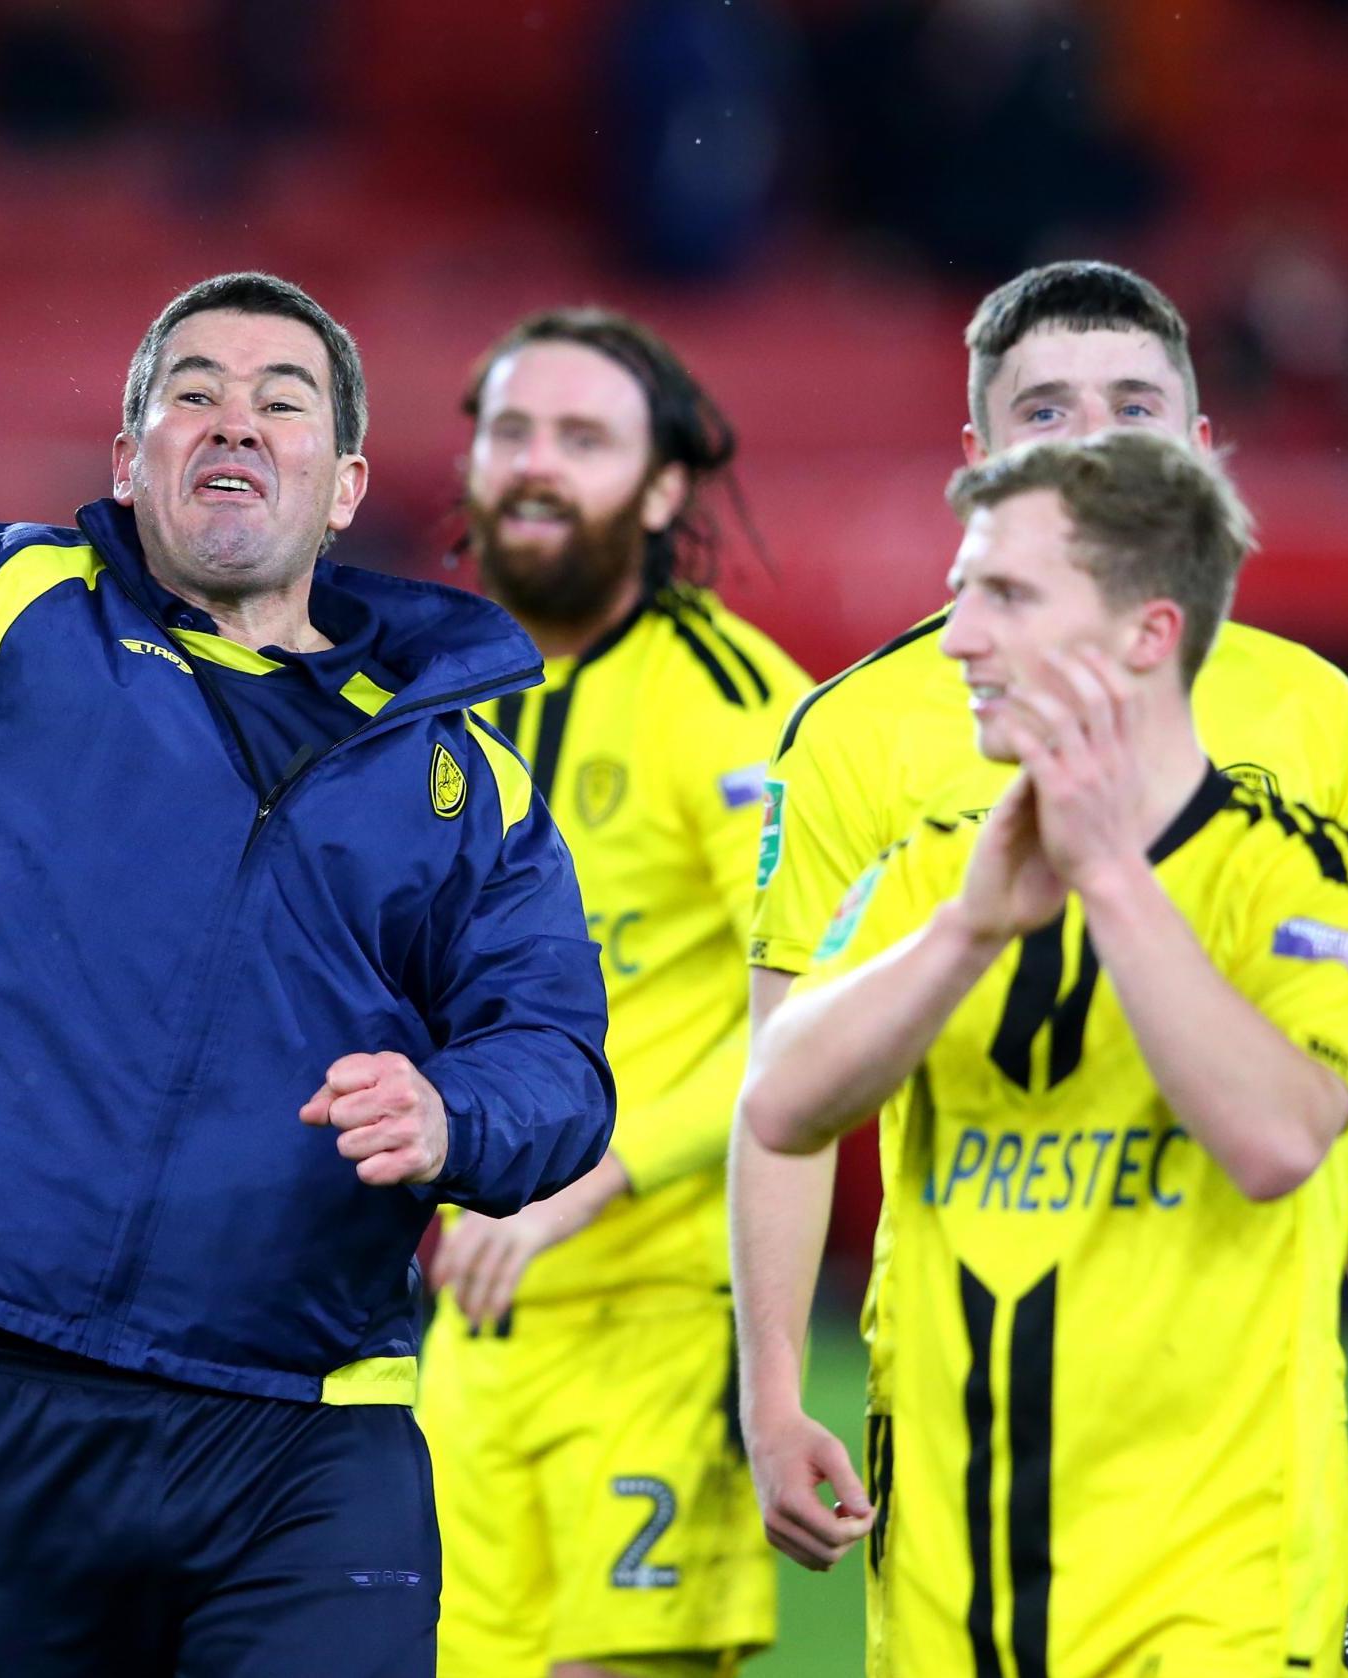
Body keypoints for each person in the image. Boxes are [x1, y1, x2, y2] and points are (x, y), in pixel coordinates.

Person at [0, 145, 613, 1677]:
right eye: (191, 391)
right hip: (4, 1394)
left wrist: (452, 1109)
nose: (233, 418)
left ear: (344, 484)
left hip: (305, 1426)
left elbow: (555, 1059)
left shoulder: (464, 776)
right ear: (130, 451)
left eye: (284, 399)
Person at [729, 261, 1348, 1595]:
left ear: (1202, 452)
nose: (1091, 442)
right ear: (975, 463)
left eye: (1132, 407)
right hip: (965, 1426)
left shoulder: (1306, 714)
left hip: (1240, 1430)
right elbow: (780, 1087)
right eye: (1045, 413)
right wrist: (772, 1382)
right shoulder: (857, 731)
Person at [420, 308, 805, 1678]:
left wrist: (585, 1182)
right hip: (464, 1334)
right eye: (510, 431)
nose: (535, 464)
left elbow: (813, 1014)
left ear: (657, 489)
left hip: (657, 1318)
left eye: (582, 438)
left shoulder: (736, 707)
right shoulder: (418, 698)